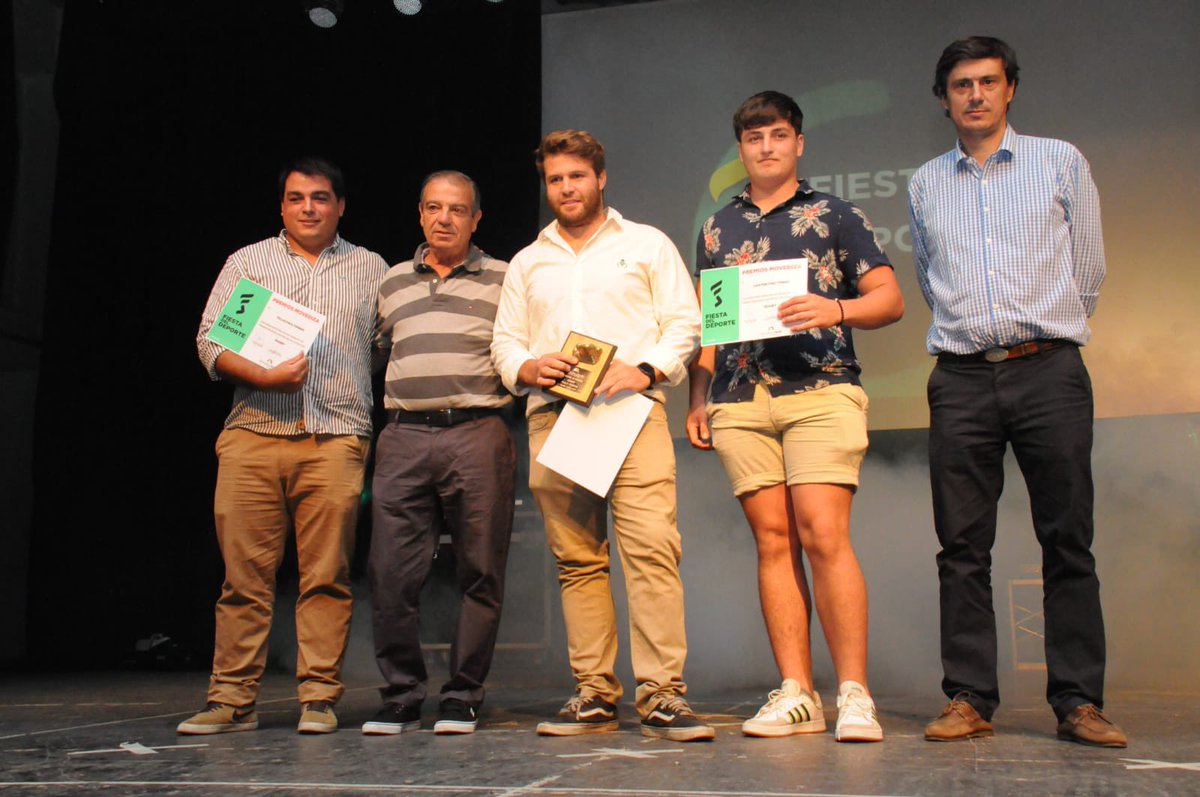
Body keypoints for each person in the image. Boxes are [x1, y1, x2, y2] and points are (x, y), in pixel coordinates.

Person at [908, 36, 1126, 748]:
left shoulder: (1058, 160)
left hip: (1048, 368)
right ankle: (969, 696)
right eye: (961, 84)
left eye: (988, 81)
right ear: (944, 100)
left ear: (1010, 90)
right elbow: (931, 277)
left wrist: (1048, 335)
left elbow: (1088, 266)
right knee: (962, 546)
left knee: (1067, 538)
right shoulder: (924, 182)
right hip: (963, 374)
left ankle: (1078, 700)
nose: (975, 94)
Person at [687, 91, 904, 743]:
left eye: (778, 135)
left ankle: (855, 692)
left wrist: (832, 309)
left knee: (822, 534)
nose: (766, 147)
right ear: (742, 150)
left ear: (798, 142)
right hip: (740, 397)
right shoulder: (718, 229)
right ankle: (797, 690)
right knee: (773, 542)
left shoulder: (834, 213)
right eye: (754, 138)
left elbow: (888, 297)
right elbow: (711, 324)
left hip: (821, 388)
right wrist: (697, 395)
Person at [491, 130, 711, 742]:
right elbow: (506, 341)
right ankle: (593, 693)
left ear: (601, 178)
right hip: (554, 419)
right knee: (578, 562)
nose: (566, 188)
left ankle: (663, 694)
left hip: (631, 414)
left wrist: (642, 370)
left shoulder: (645, 243)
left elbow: (684, 324)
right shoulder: (528, 262)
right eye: (555, 179)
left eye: (577, 176)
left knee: (651, 552)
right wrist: (527, 368)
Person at [184, 157, 387, 735]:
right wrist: (265, 376)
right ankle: (231, 700)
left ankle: (319, 697)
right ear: (282, 206)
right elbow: (210, 344)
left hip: (335, 437)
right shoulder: (250, 262)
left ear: (340, 206)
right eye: (297, 198)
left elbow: (381, 347)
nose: (308, 208)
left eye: (321, 198)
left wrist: (339, 378)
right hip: (253, 435)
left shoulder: (370, 266)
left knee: (327, 575)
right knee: (243, 578)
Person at [362, 171, 515, 736]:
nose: (444, 218)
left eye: (457, 209)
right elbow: (375, 353)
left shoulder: (505, 277)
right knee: (389, 574)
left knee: (480, 569)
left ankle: (463, 695)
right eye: (433, 207)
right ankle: (401, 694)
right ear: (420, 214)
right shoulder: (392, 281)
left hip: (476, 431)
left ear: (477, 218)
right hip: (402, 435)